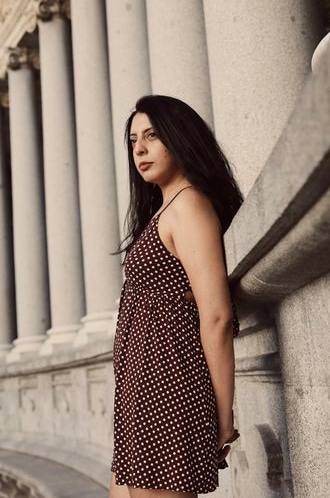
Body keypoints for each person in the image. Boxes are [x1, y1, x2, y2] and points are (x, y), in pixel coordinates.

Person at [109, 95, 244, 498]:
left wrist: (223, 416)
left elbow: (216, 316)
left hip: (169, 387)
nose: (140, 149)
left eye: (152, 136)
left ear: (179, 139)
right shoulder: (165, 209)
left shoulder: (189, 207)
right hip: (142, 388)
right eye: (133, 140)